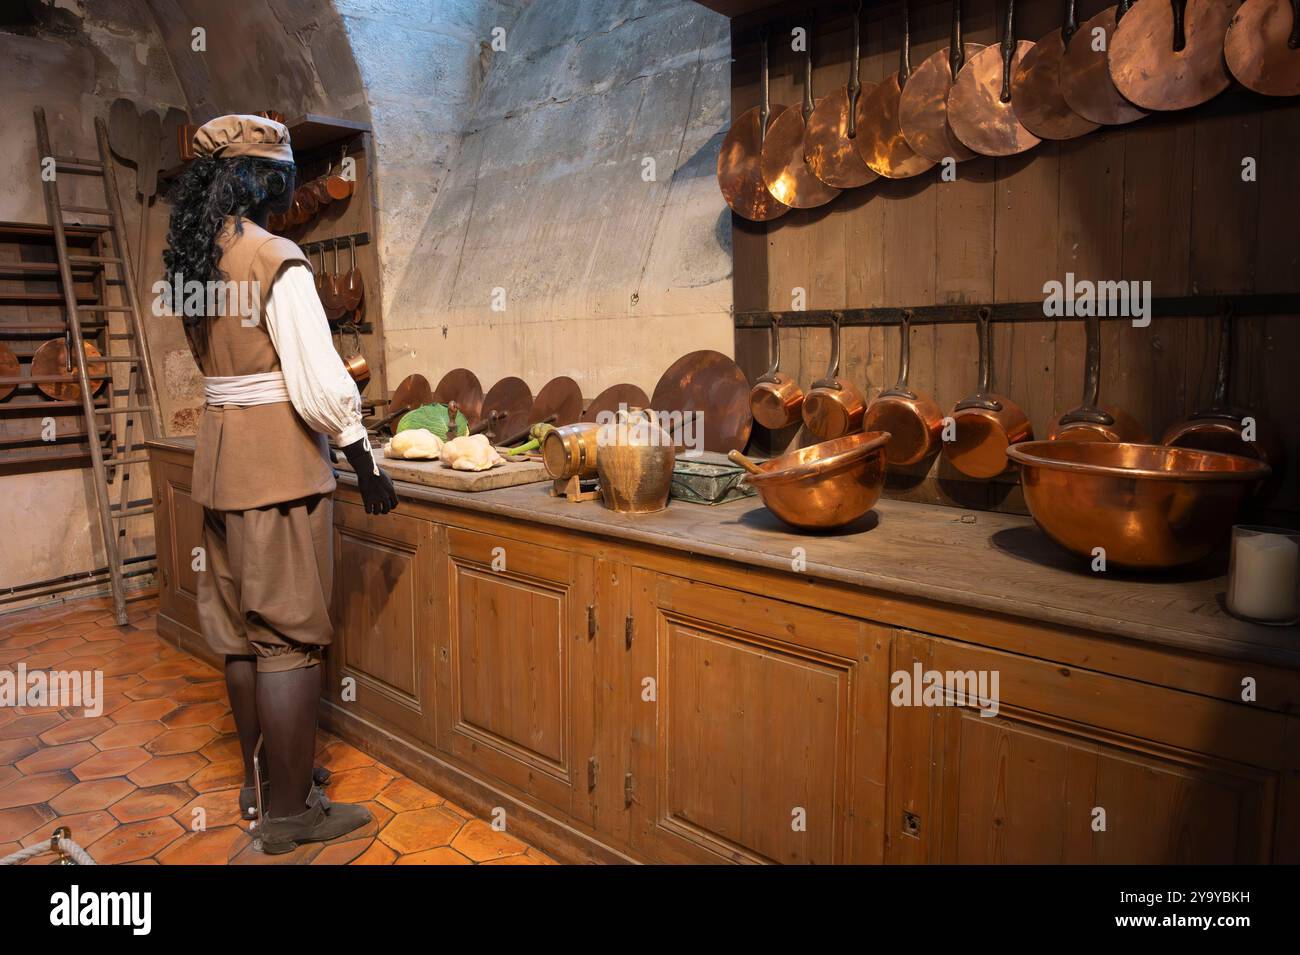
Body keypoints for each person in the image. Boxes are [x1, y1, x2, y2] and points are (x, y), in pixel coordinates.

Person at [162, 114, 398, 854]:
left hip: (222, 464)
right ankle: (293, 815)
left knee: (239, 633)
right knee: (291, 634)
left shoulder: (198, 259)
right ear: (259, 177)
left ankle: (265, 784)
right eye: (279, 179)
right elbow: (315, 373)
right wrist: (361, 451)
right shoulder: (275, 257)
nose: (285, 193)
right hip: (276, 467)